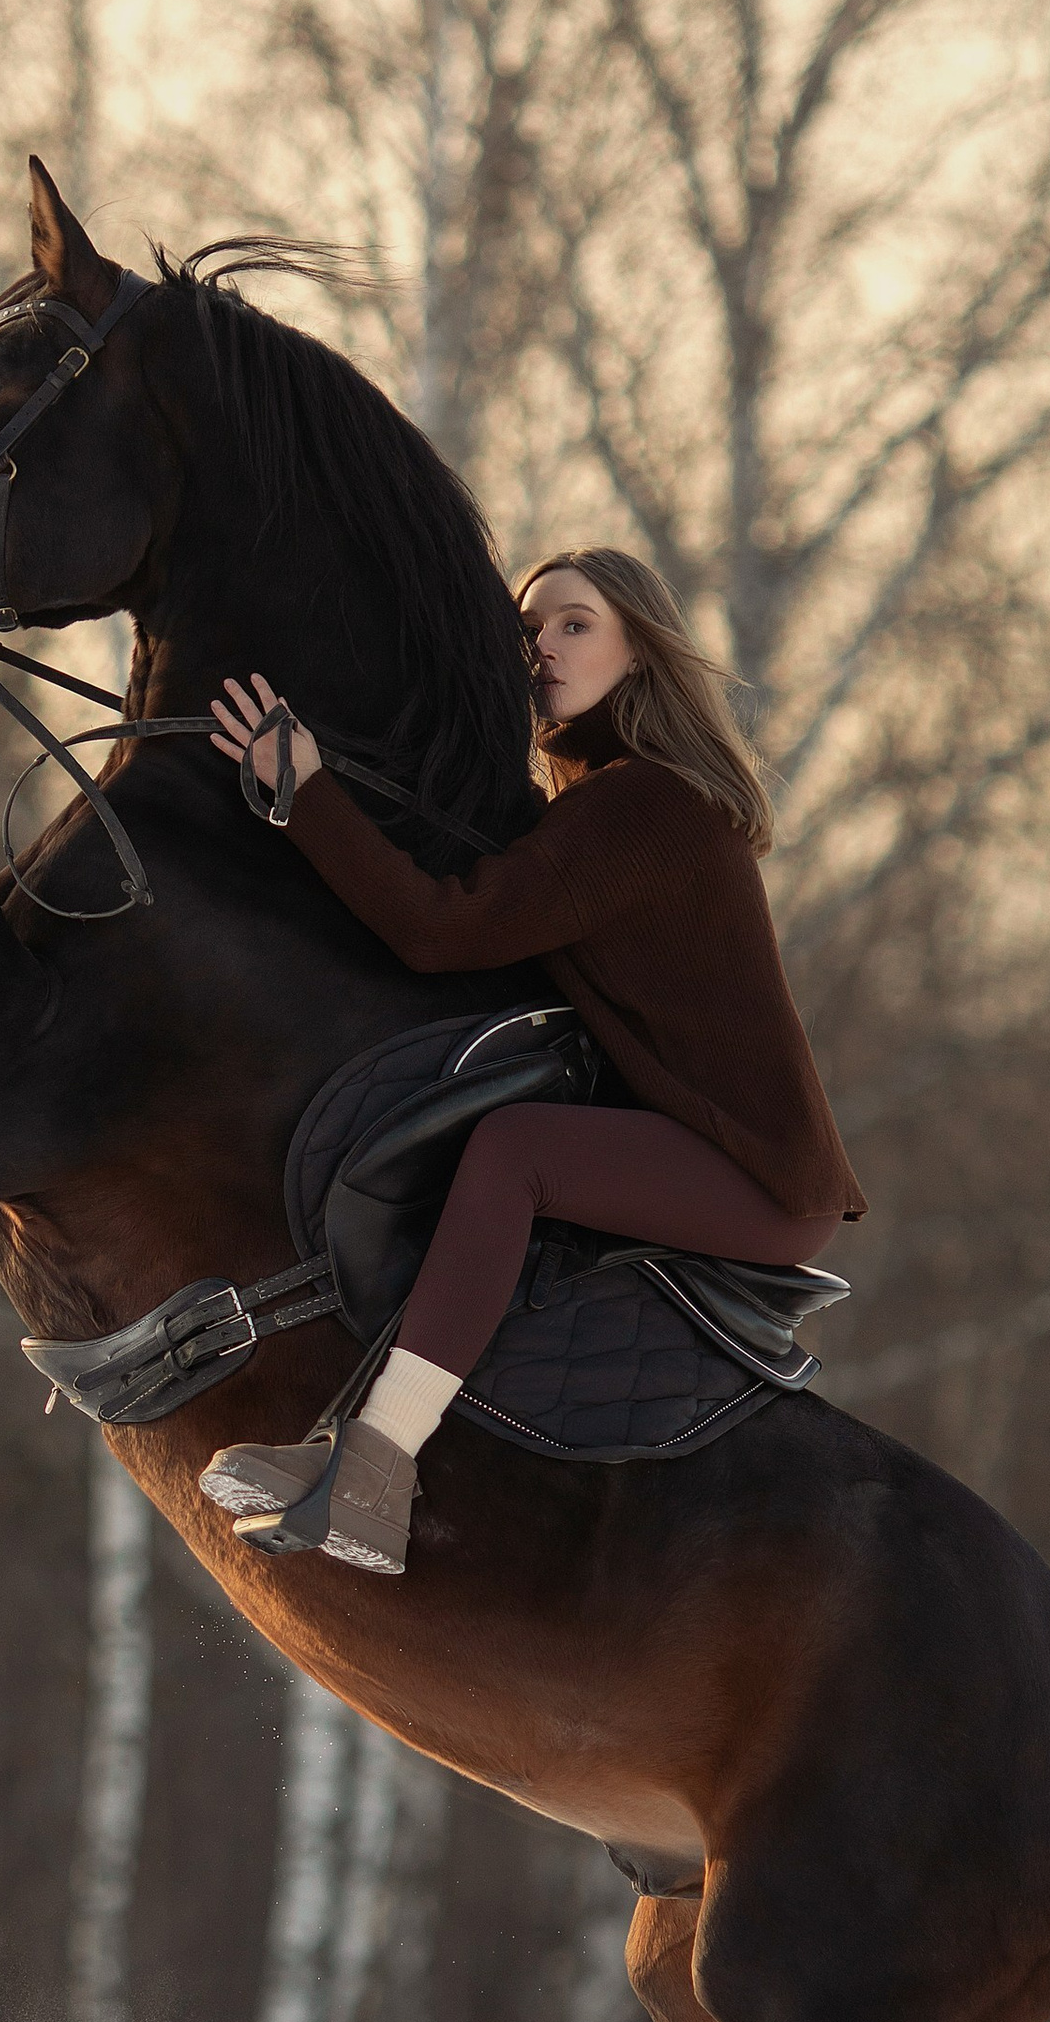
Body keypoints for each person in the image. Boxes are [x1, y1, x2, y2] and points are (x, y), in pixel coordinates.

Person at [201, 547, 863, 1574]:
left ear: (639, 647)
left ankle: (380, 1467)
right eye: (529, 629)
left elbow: (438, 929)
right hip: (702, 1147)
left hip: (757, 1177)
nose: (541, 647)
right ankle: (351, 1440)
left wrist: (309, 791)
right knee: (482, 1154)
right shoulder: (604, 804)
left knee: (514, 1150)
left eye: (573, 623)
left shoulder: (639, 806)